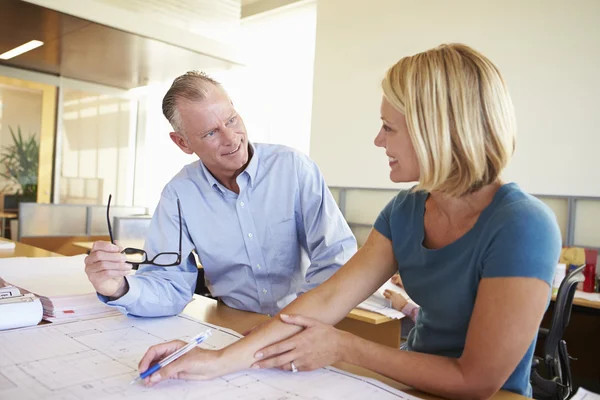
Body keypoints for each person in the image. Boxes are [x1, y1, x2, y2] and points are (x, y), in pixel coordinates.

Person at [136, 44, 561, 399]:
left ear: (435, 130)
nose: (378, 140)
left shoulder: (523, 225)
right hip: (407, 382)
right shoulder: (406, 210)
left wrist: (343, 346)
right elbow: (326, 299)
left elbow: (479, 382)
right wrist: (218, 361)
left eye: (388, 127)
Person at [84, 71, 357, 317]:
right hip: (232, 323)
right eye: (211, 132)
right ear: (183, 142)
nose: (231, 138)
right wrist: (119, 288)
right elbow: (168, 284)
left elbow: (336, 255)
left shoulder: (294, 168)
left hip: (304, 318)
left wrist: (296, 319)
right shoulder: (179, 195)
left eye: (232, 120)